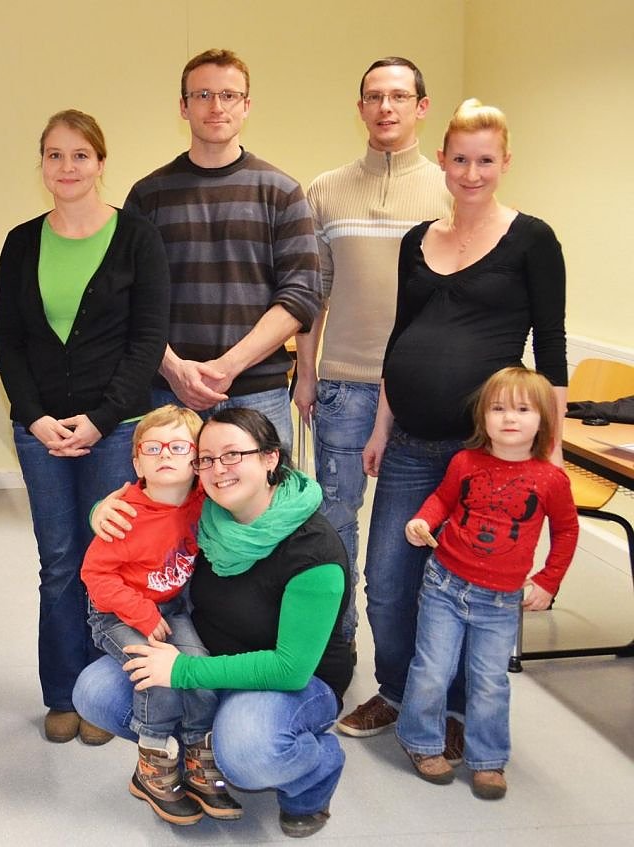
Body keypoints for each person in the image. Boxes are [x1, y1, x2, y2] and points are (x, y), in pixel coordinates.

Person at [337, 100, 568, 751]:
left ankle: (458, 710)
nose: (471, 172)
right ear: (442, 159)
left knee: (471, 584)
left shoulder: (532, 240)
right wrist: (381, 427)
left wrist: (550, 450)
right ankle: (399, 691)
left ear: (505, 162)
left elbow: (551, 350)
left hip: (488, 453)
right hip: (410, 444)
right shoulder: (417, 240)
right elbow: (399, 338)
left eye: (485, 160)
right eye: (460, 159)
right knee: (388, 581)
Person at [78, 408, 352, 839]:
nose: (219, 469)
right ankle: (188, 754)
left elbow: (290, 669)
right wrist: (101, 510)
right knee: (95, 691)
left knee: (246, 749)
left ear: (270, 458)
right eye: (206, 458)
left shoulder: (314, 553)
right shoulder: (207, 512)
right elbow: (150, 509)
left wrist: (184, 671)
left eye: (233, 455)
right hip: (211, 653)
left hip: (291, 680)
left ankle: (314, 773)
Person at [0, 109, 170, 745]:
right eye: (54, 155)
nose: (66, 167)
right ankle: (63, 691)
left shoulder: (138, 238)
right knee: (60, 562)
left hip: (117, 429)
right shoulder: (21, 241)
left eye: (79, 155)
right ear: (41, 164)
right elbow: (9, 342)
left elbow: (147, 341)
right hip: (39, 432)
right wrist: (36, 418)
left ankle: (104, 694)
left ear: (100, 162)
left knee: (111, 561)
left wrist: (99, 421)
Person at [293, 57, 450, 645]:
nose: (386, 107)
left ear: (421, 106)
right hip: (343, 386)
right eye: (374, 96)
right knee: (334, 523)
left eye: (399, 96)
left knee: (415, 528)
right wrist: (306, 374)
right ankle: (337, 645)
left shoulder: (449, 189)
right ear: (360, 107)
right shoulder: (325, 189)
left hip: (423, 391)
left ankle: (413, 653)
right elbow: (313, 293)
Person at [125, 48, 320, 450]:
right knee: (169, 495)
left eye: (229, 95)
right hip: (168, 396)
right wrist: (174, 369)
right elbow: (127, 298)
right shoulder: (148, 196)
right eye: (203, 95)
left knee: (262, 495)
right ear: (183, 107)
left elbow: (301, 297)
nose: (216, 106)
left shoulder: (281, 191)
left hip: (258, 395)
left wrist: (229, 366)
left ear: (246, 106)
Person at [398, 367, 578, 800]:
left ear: (544, 420)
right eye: (498, 408)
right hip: (444, 585)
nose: (509, 418)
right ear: (483, 417)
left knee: (489, 681)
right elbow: (443, 499)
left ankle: (488, 759)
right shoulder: (465, 462)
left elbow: (567, 530)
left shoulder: (551, 479)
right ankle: (421, 741)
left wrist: (549, 580)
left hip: (500, 602)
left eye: (523, 409)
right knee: (432, 669)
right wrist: (423, 520)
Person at [80, 404, 240, 825]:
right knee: (157, 673)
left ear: (197, 461)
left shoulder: (202, 500)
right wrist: (142, 614)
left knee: (197, 667)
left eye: (178, 447)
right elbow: (95, 575)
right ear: (137, 464)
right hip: (116, 613)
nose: (165, 454)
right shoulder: (125, 515)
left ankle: (197, 752)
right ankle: (153, 760)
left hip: (170, 607)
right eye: (152, 448)